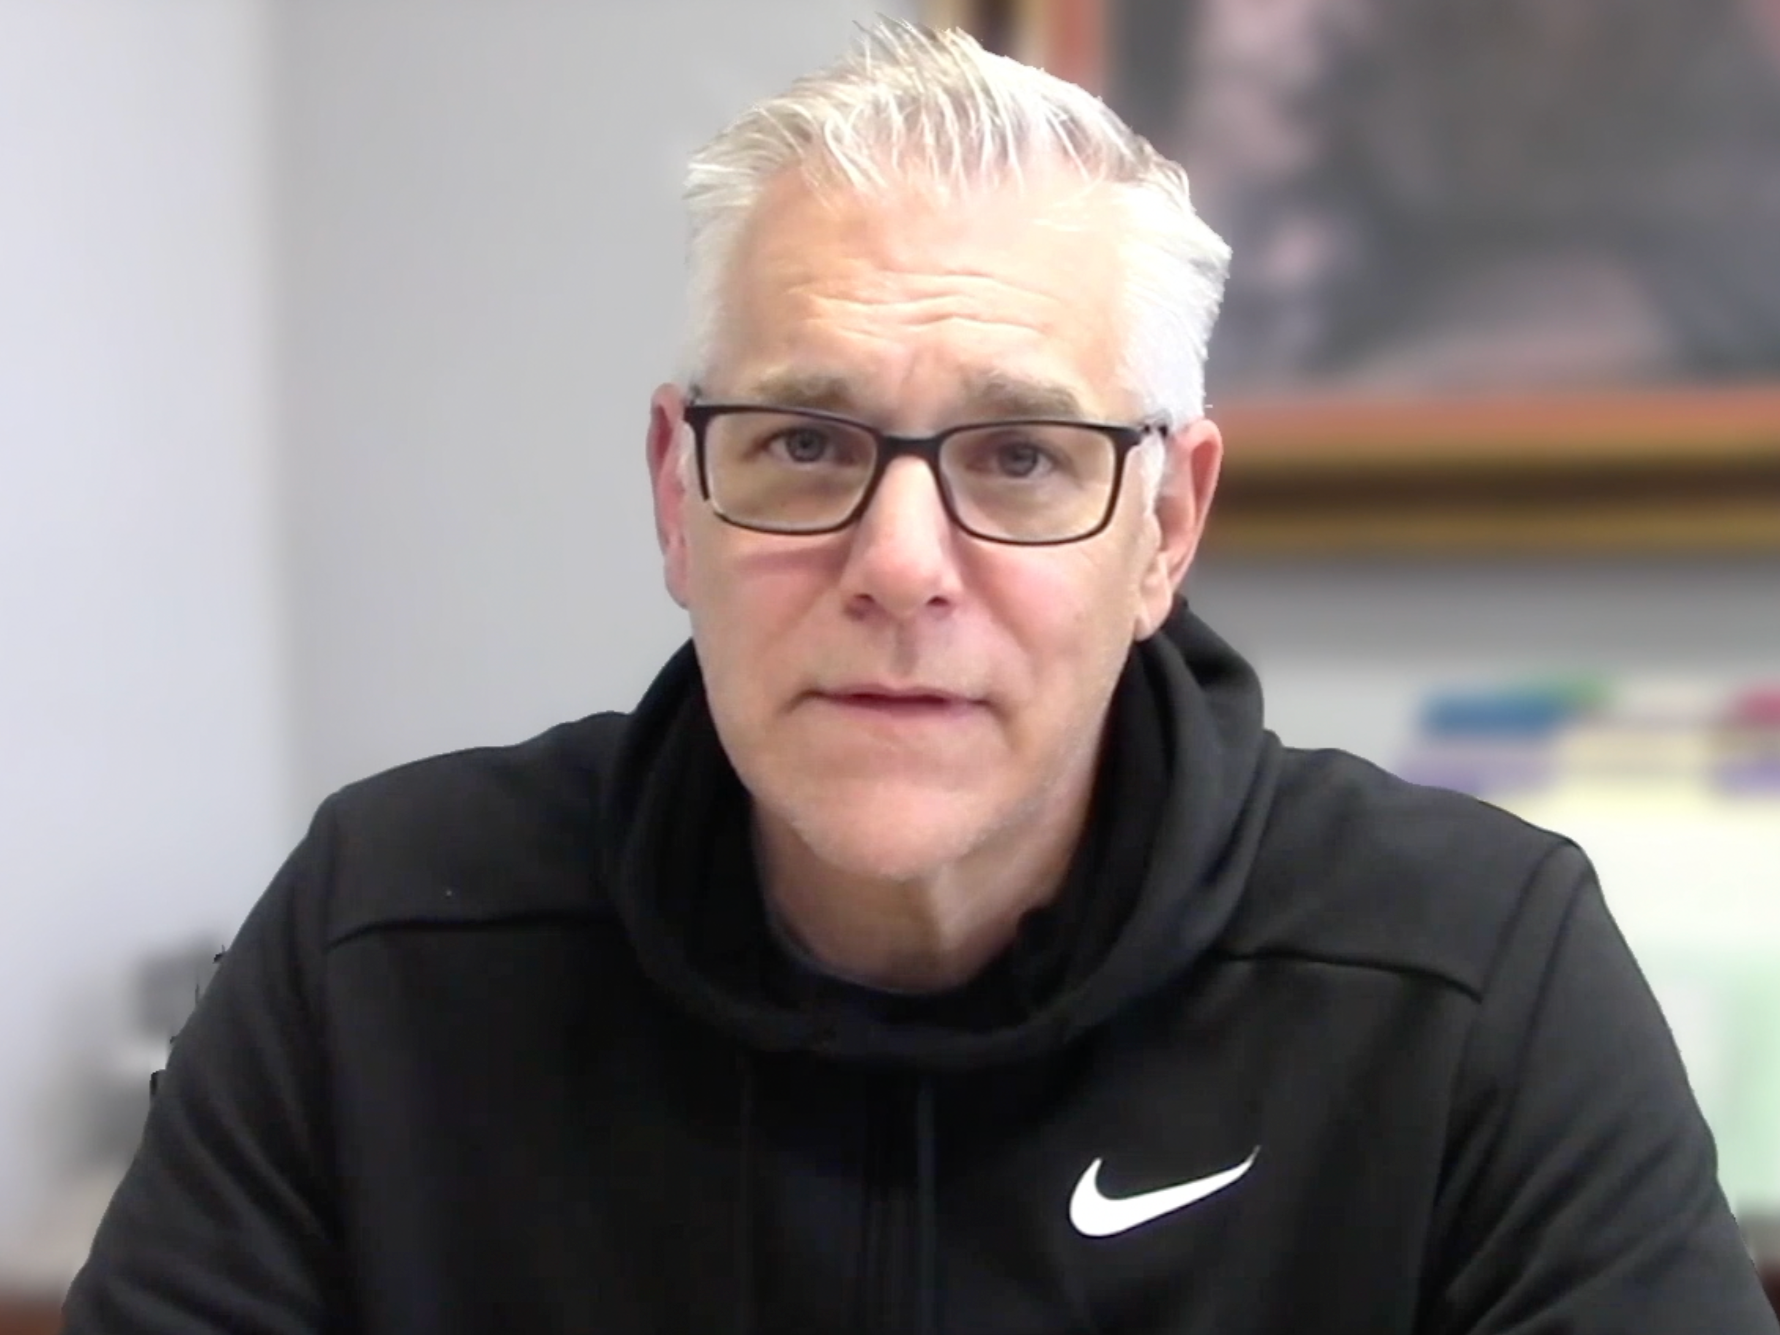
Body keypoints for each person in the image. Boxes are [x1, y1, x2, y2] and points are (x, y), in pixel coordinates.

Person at [61, 21, 1777, 1335]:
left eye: (1021, 457)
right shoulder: (377, 953)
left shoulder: (1472, 982)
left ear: (1166, 529)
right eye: (806, 442)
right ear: (676, 495)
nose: (897, 562)